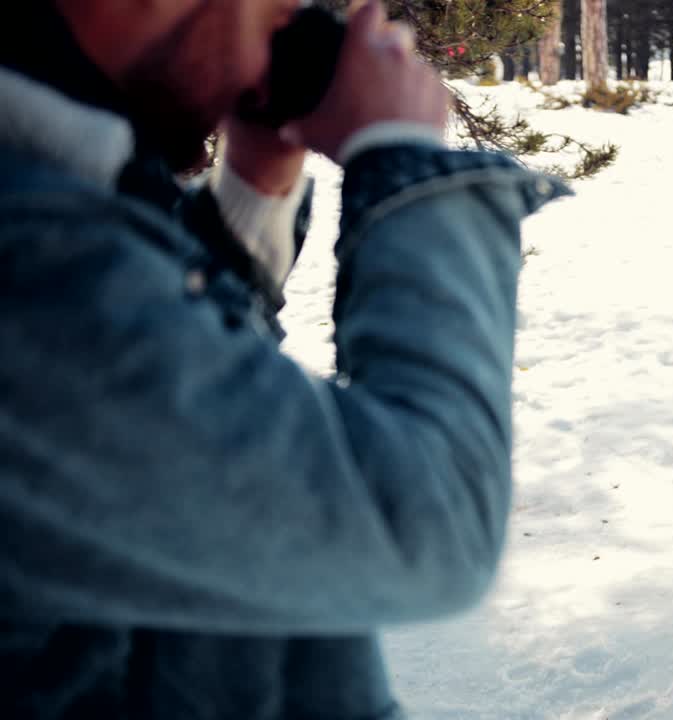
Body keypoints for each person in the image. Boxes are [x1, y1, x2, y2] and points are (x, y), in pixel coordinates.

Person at [0, 1, 567, 718]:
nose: (295, 18)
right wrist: (404, 159)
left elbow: (195, 449)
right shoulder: (36, 273)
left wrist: (252, 183)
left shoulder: (53, 194)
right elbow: (431, 517)